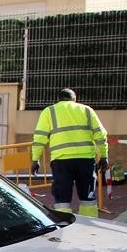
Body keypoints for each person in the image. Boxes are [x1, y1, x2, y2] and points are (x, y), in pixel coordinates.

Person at [30, 88, 108, 217]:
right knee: (87, 198)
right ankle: (89, 227)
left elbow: (39, 138)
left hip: (61, 161)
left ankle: (65, 225)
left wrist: (35, 159)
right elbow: (100, 135)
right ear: (74, 99)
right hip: (85, 160)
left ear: (59, 99)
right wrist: (104, 156)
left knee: (62, 199)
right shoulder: (87, 110)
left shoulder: (49, 111)